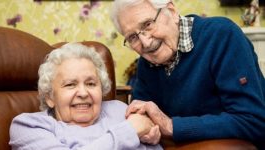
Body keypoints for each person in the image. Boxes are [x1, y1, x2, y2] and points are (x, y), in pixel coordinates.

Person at [110, 0, 265, 147]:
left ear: (171, 11)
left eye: (148, 24)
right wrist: (147, 129)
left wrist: (171, 126)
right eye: (132, 37)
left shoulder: (222, 35)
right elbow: (141, 115)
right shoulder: (146, 63)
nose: (145, 42)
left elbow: (253, 121)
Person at [9, 43, 163, 150]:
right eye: (70, 84)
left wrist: (152, 135)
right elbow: (133, 129)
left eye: (90, 84)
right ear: (50, 96)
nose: (83, 93)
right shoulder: (28, 126)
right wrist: (129, 131)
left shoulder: (119, 110)